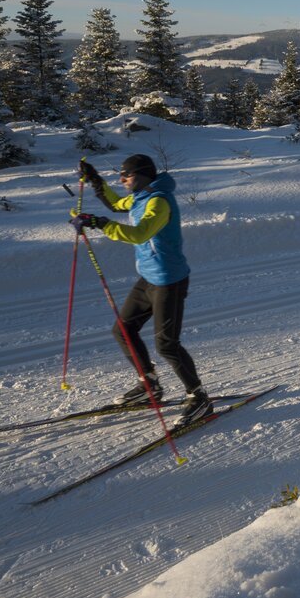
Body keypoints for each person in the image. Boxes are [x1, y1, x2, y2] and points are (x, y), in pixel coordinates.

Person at [71, 154, 211, 425]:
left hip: (169, 280)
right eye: (121, 175)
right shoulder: (140, 196)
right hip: (148, 278)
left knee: (166, 344)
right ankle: (149, 385)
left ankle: (199, 397)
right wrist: (95, 179)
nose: (122, 179)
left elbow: (139, 234)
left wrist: (99, 224)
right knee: (123, 329)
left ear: (144, 175)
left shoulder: (158, 201)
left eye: (127, 175)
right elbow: (114, 204)